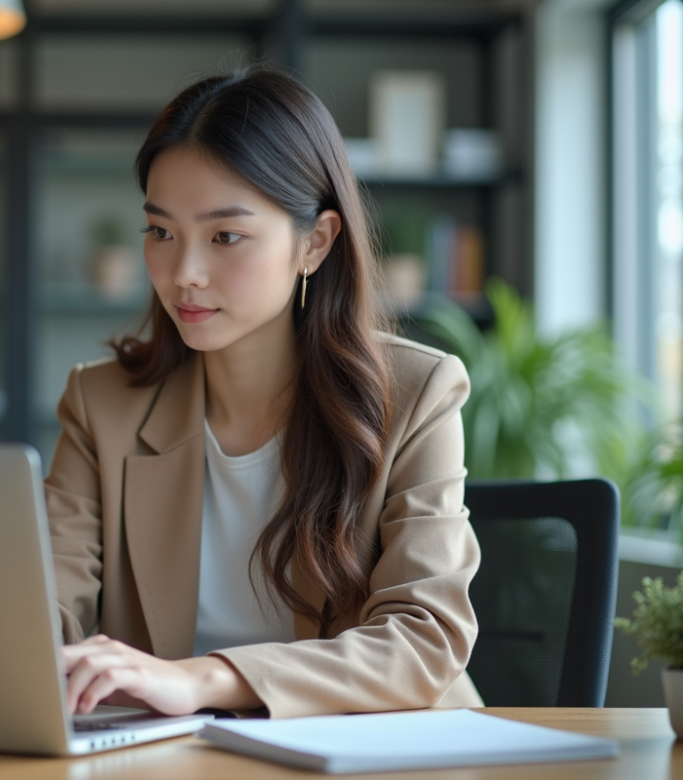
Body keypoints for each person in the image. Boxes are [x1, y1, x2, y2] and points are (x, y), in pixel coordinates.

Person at [45, 67, 483, 720]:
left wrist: (201, 680)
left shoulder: (418, 394)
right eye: (161, 232)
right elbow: (46, 609)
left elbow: (423, 640)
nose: (184, 274)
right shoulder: (101, 404)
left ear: (315, 242)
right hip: (170, 761)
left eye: (225, 236)